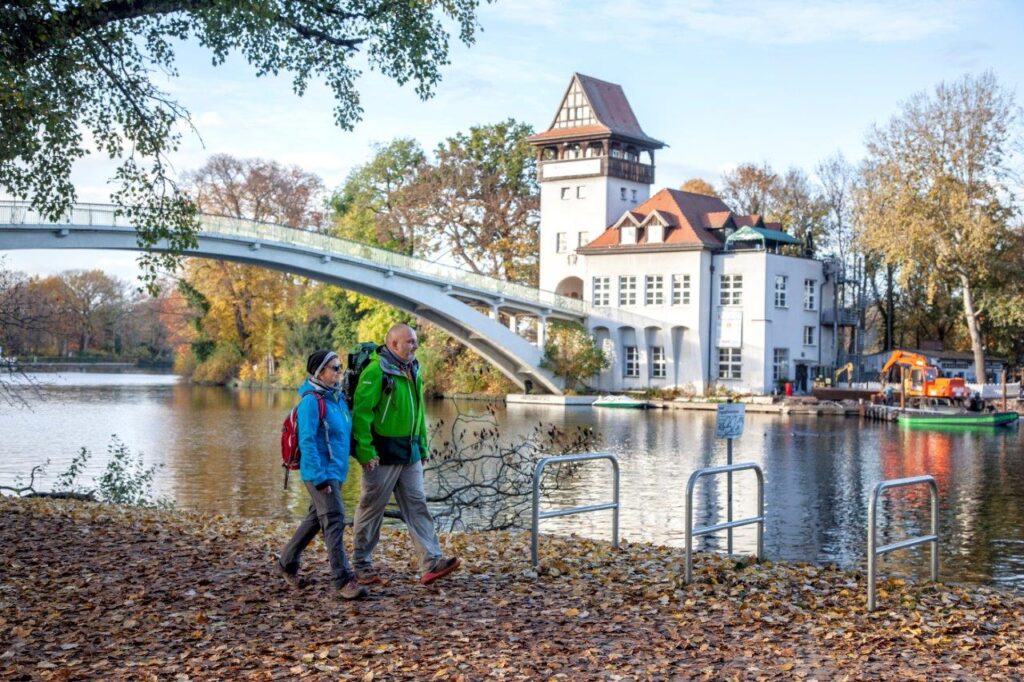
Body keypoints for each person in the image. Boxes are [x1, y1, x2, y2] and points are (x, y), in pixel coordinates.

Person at [351, 324, 461, 586]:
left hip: (410, 453)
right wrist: (366, 452)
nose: (415, 345)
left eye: (415, 341)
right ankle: (361, 565)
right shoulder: (376, 371)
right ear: (393, 344)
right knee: (371, 509)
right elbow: (361, 414)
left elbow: (419, 413)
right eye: (410, 342)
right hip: (381, 456)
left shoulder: (413, 369)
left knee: (417, 505)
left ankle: (431, 562)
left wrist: (422, 446)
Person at [276, 349, 368, 600]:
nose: (340, 372)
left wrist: (364, 457)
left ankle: (286, 562)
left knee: (316, 519)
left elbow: (343, 437)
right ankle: (343, 580)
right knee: (335, 519)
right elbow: (307, 442)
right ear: (320, 372)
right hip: (320, 474)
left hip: (335, 471)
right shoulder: (311, 403)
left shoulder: (336, 400)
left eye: (340, 367)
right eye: (335, 368)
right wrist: (319, 478)